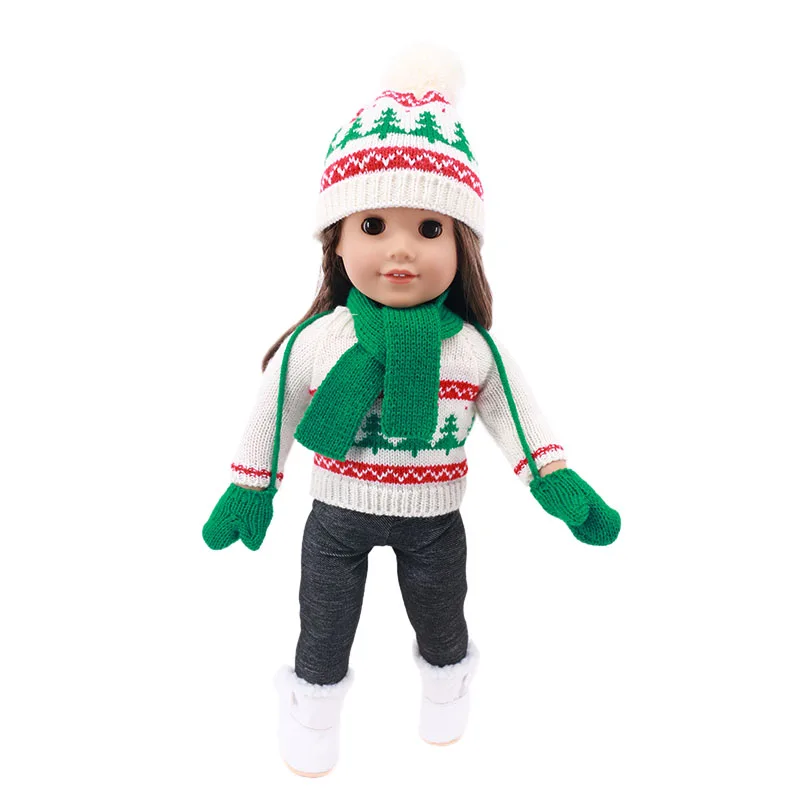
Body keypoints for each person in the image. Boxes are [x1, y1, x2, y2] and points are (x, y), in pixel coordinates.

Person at [202, 43, 620, 779]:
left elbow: (516, 415)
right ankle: (312, 714)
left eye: (430, 229)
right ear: (336, 240)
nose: (401, 251)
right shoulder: (319, 341)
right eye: (373, 226)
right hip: (335, 517)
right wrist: (250, 486)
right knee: (323, 624)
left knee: (443, 617)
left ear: (463, 245)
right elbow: (274, 410)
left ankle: (446, 695)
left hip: (435, 521)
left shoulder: (471, 349)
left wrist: (555, 479)